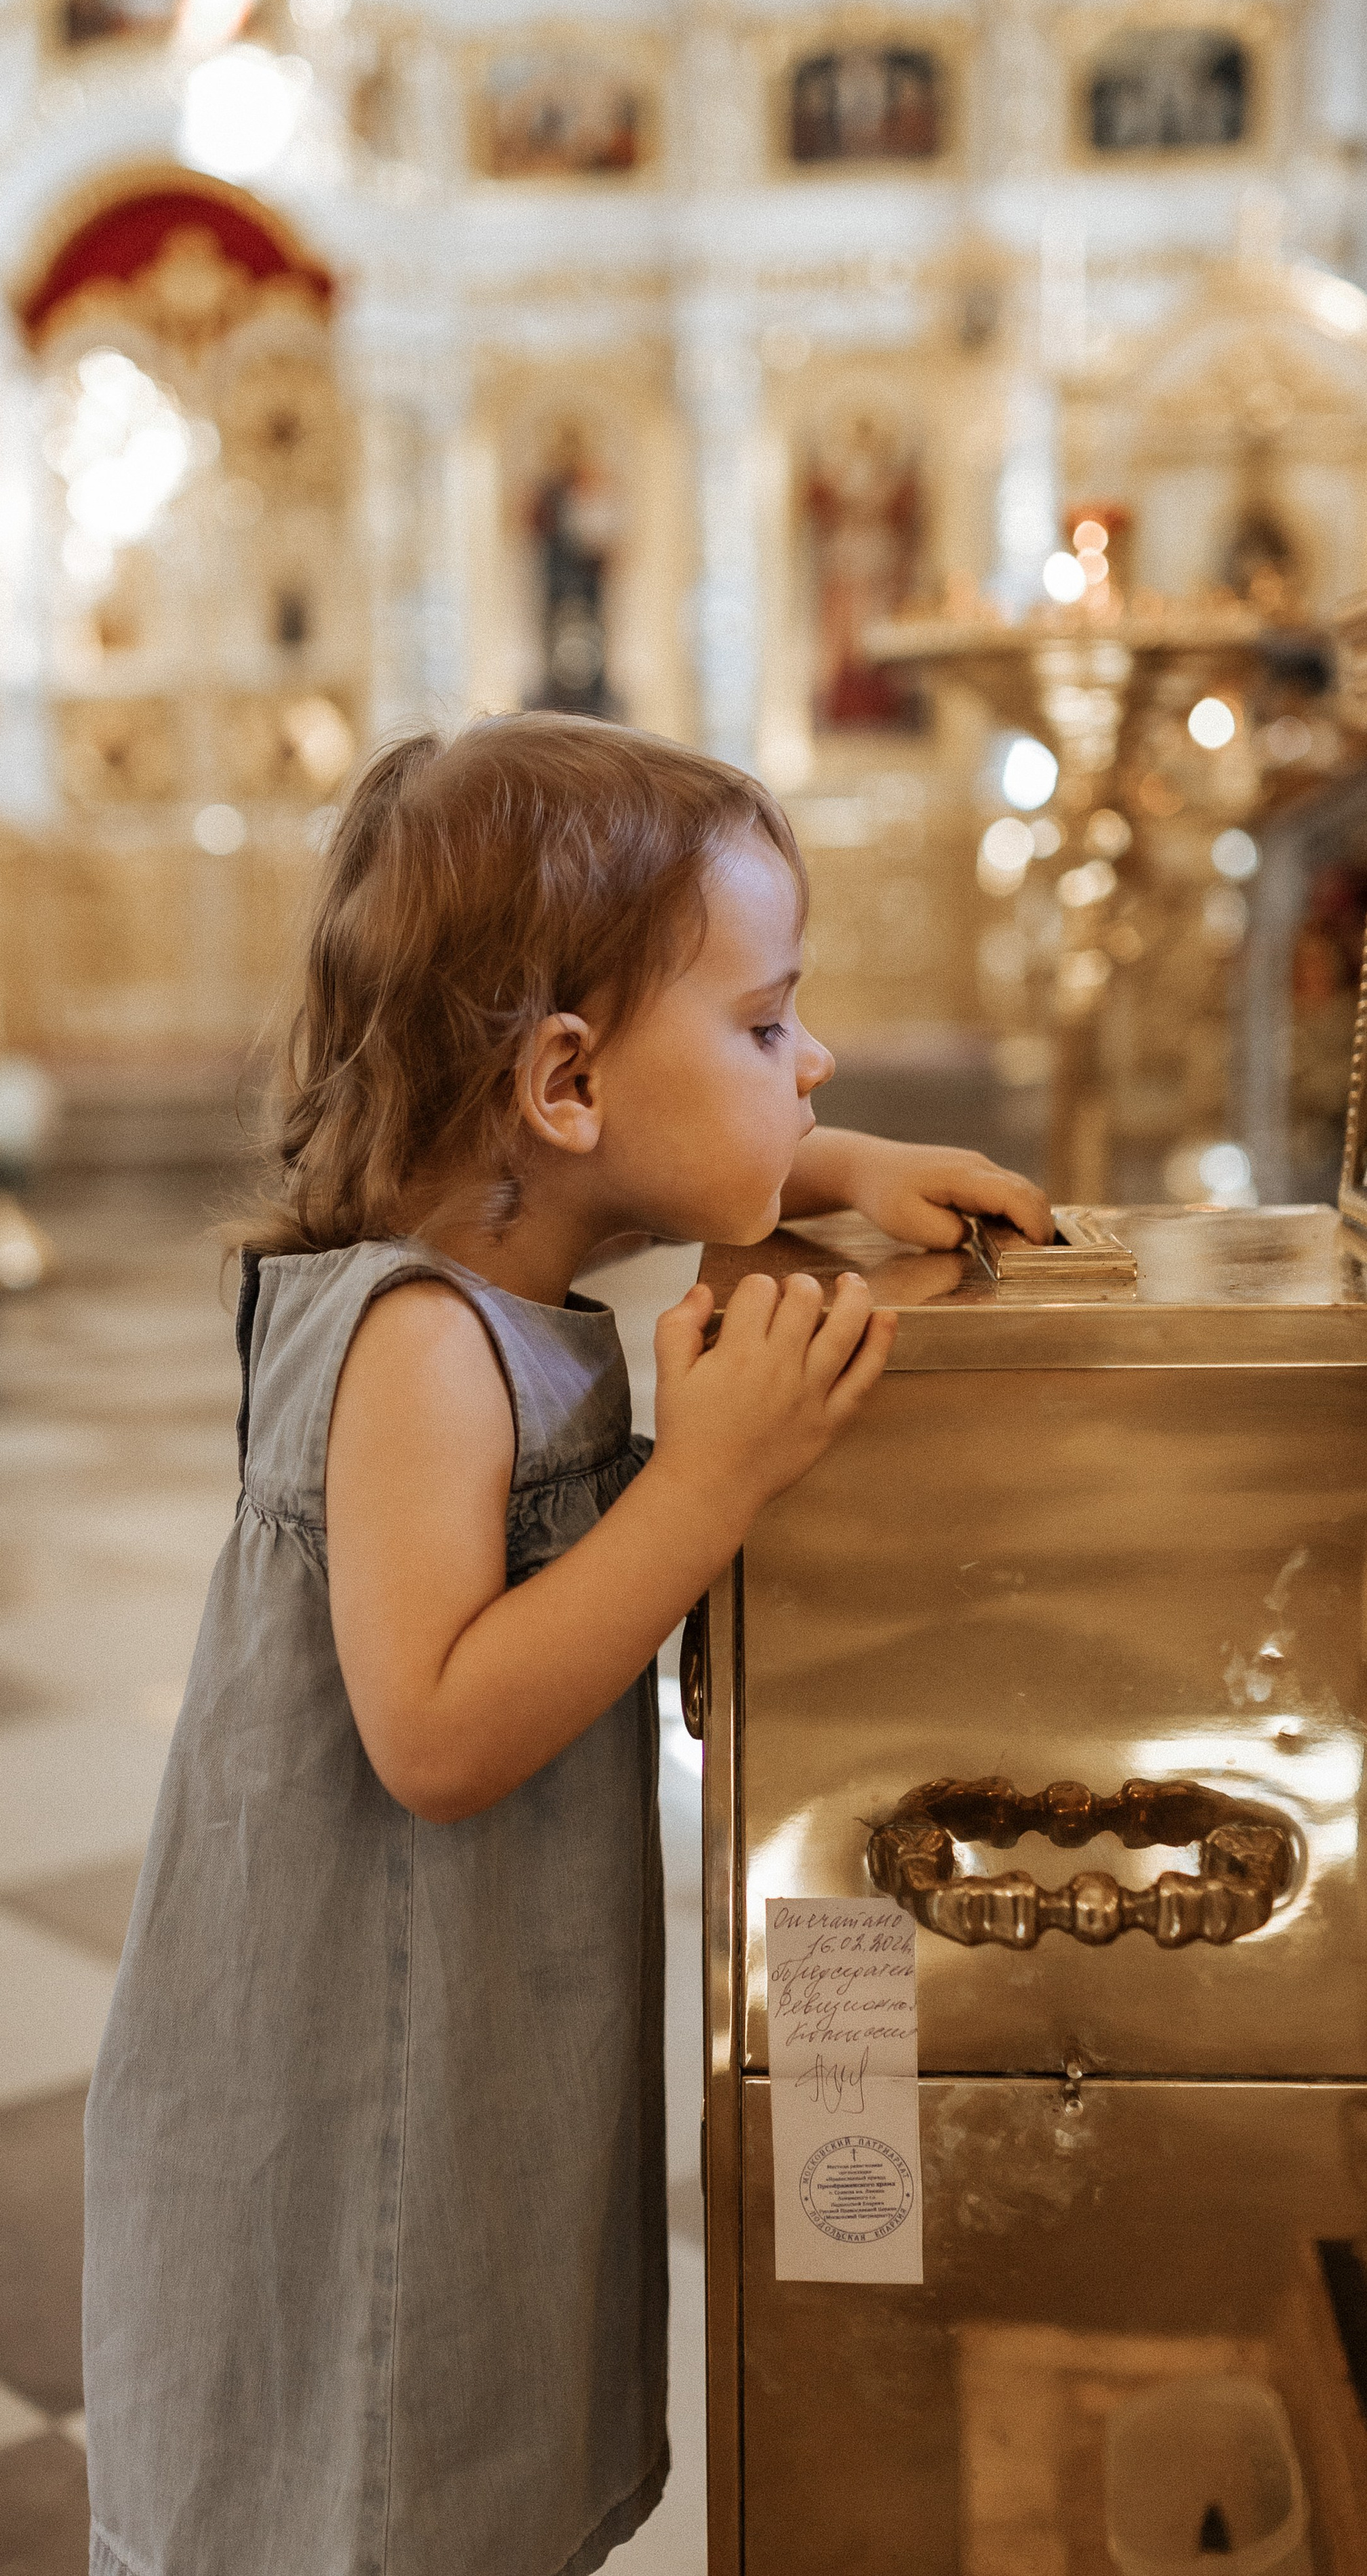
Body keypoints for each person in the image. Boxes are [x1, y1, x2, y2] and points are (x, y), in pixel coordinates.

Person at [82, 714, 1053, 2576]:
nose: (812, 1053)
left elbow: (643, 1154)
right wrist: (708, 1483)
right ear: (564, 1085)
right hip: (356, 2075)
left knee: (472, 2433)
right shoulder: (421, 1349)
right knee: (368, 2476)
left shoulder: (510, 1266)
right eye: (770, 1025)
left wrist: (827, 1157)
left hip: (467, 2025)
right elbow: (435, 1730)